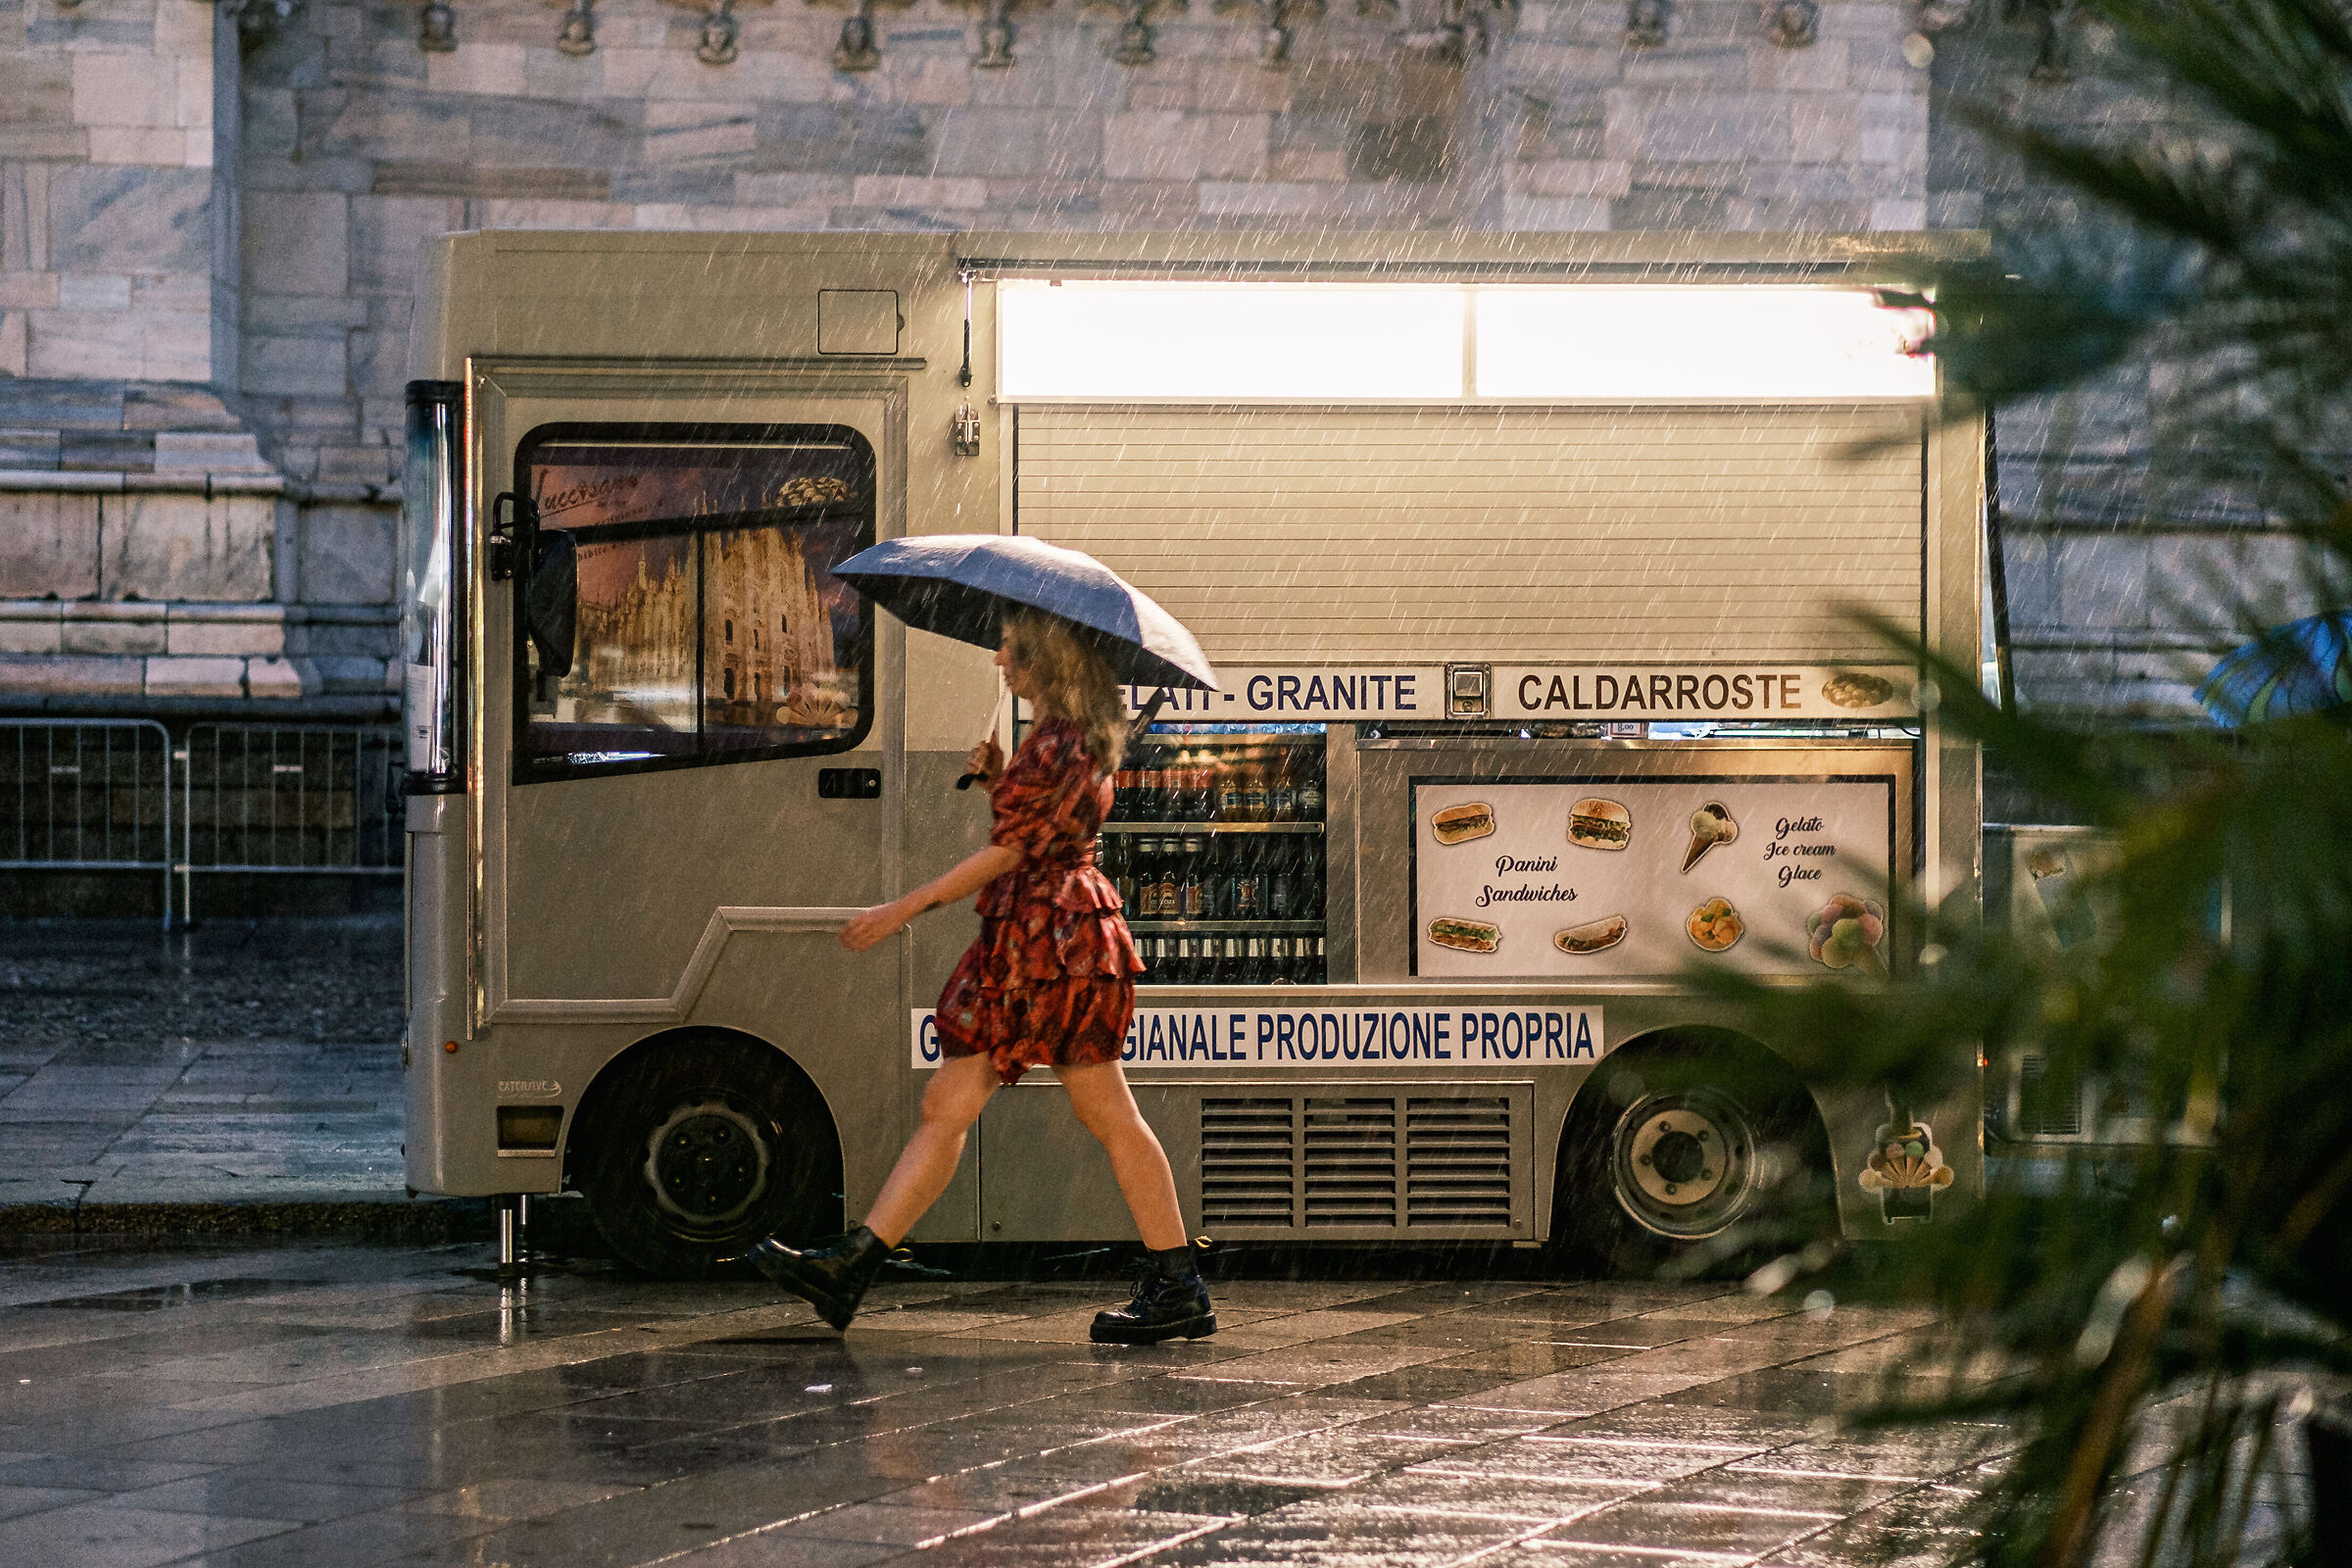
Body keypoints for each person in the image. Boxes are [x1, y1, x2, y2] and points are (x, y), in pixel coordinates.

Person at [749, 607, 1215, 1345]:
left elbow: (1012, 853)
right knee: (972, 1102)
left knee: (1069, 1110)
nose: (1000, 660)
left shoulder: (1055, 743)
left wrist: (905, 906)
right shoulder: (1070, 739)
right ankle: (853, 1267)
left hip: (1042, 942)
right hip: (1064, 938)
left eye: (1011, 650)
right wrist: (1005, 775)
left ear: (1043, 663)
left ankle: (853, 1267)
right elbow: (1043, 830)